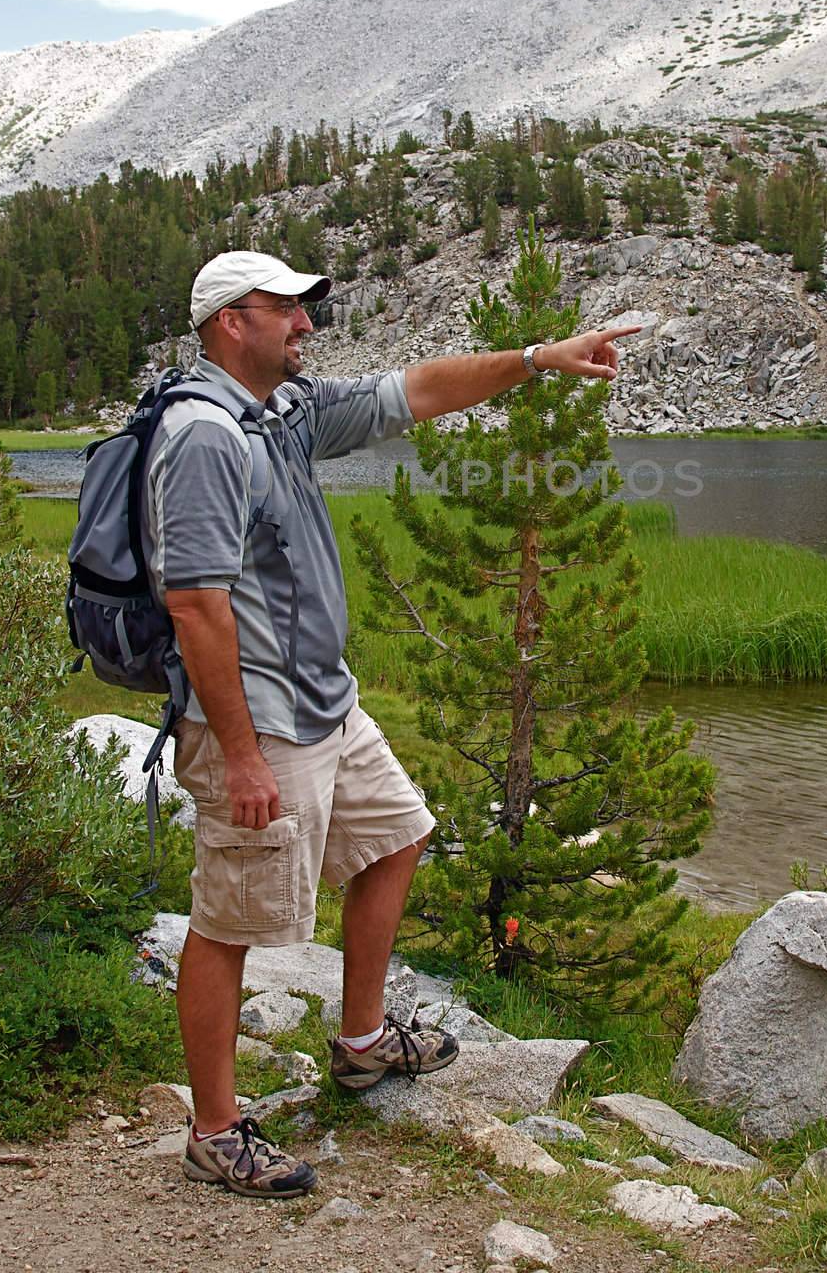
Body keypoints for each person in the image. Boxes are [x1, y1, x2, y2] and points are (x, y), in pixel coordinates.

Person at [144, 249, 637, 1199]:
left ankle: (362, 1041)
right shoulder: (203, 435)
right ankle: (213, 1129)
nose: (306, 326)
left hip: (325, 701)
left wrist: (538, 357)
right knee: (230, 921)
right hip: (262, 722)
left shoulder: (282, 412)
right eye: (286, 310)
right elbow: (196, 605)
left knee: (398, 836)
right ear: (228, 321)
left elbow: (411, 391)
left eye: (305, 310)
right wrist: (239, 758)